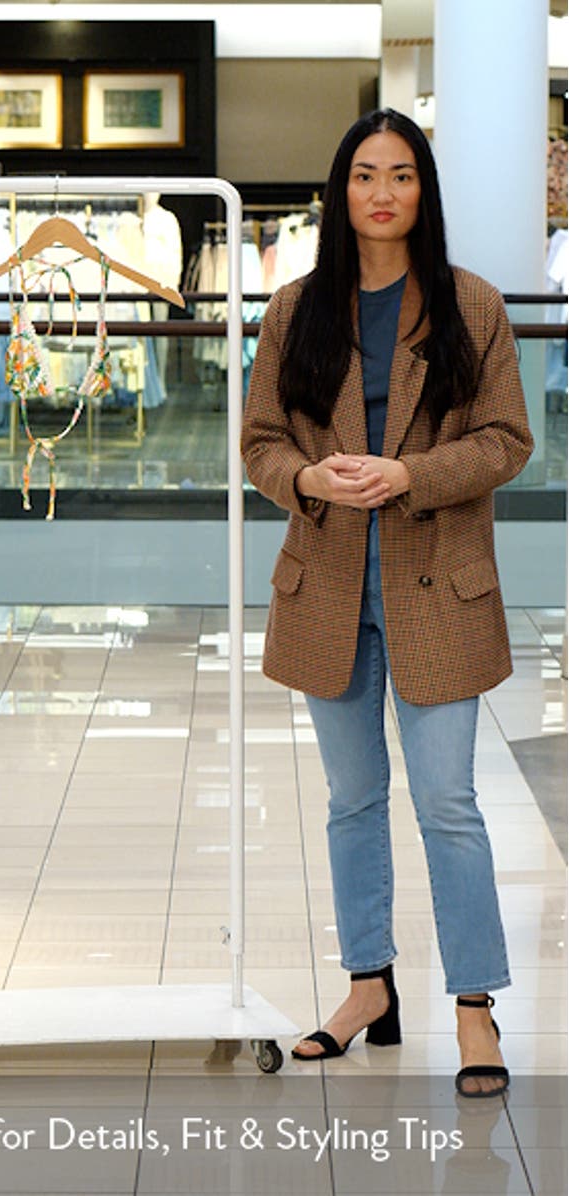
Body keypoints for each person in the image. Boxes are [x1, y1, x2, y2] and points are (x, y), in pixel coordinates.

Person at [241, 108, 533, 1098]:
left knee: (448, 801)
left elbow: (506, 439)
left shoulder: (470, 304)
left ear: (423, 191)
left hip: (438, 582)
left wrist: (409, 472)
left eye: (401, 175)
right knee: (352, 799)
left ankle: (475, 1004)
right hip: (326, 583)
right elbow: (260, 440)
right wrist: (307, 478)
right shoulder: (296, 309)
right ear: (340, 191)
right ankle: (368, 984)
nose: (381, 192)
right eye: (364, 175)